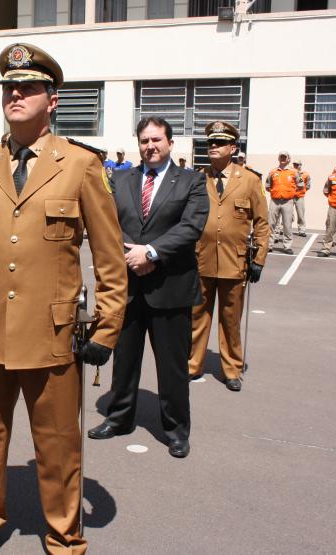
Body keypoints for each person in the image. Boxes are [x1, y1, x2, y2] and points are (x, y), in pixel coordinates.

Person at [0, 44, 127, 555]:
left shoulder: (82, 165)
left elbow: (110, 259)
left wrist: (107, 327)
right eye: (9, 87)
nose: (15, 94)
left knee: (58, 445)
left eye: (27, 87)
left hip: (52, 336)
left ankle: (65, 537)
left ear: (53, 99)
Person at [88, 115, 209, 459]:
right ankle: (119, 418)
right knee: (124, 361)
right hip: (127, 286)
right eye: (144, 141)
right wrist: (131, 255)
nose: (150, 146)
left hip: (171, 288)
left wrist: (151, 252)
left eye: (157, 140)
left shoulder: (191, 181)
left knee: (172, 367)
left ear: (170, 143)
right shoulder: (120, 179)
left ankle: (176, 430)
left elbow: (191, 227)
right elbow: (107, 223)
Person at [187, 122, 269, 391]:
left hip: (235, 261)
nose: (213, 146)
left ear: (233, 148)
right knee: (197, 316)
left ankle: (232, 369)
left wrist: (259, 259)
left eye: (220, 143)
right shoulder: (198, 178)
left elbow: (262, 223)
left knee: (231, 320)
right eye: (210, 142)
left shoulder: (250, 180)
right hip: (201, 259)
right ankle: (192, 364)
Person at [264, 151, 301, 255]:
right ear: (278, 158)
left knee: (287, 225)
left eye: (285, 157)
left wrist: (290, 193)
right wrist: (275, 192)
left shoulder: (294, 172)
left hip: (287, 202)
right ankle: (269, 245)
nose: (283, 159)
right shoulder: (273, 172)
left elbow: (301, 185)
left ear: (288, 159)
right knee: (271, 224)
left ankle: (287, 246)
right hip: (274, 201)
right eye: (281, 157)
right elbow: (267, 186)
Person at [292, 159, 310, 237]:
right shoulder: (290, 173)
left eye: (297, 164)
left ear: (300, 165)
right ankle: (284, 229)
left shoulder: (305, 174)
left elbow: (308, 185)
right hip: (290, 196)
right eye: (294, 164)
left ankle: (301, 230)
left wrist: (302, 191)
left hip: (299, 197)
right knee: (288, 214)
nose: (295, 166)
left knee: (301, 214)